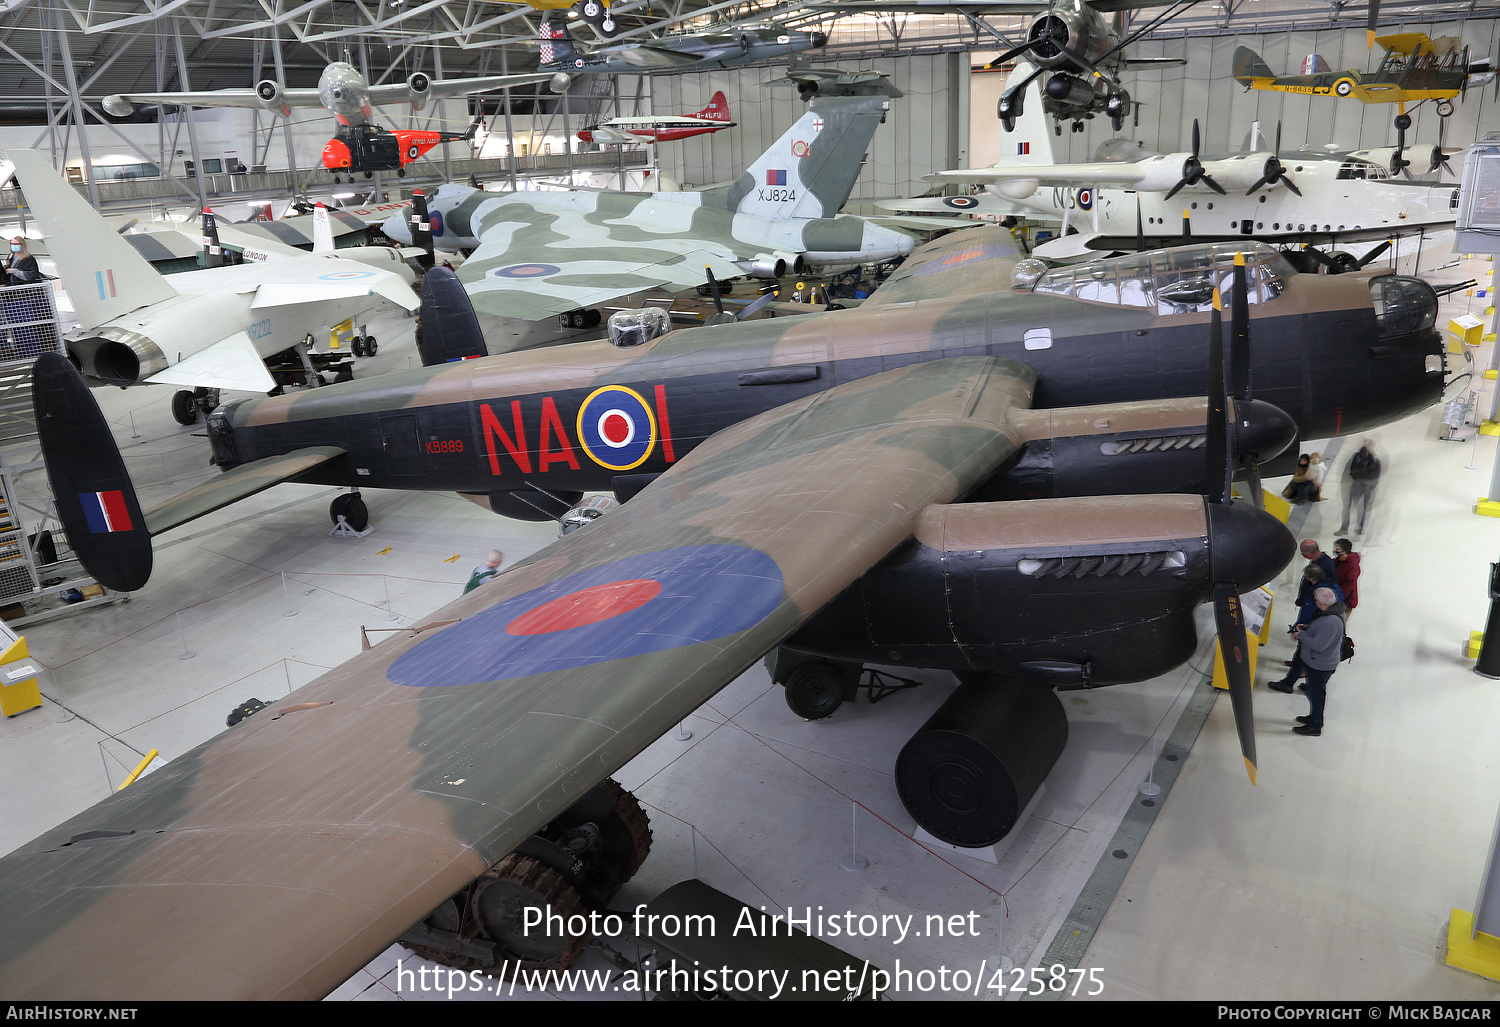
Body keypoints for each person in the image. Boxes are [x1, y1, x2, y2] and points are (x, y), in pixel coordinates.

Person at [1268, 586, 1347, 737]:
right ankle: (1314, 718)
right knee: (1313, 691)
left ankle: (1315, 726)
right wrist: (1307, 629)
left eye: (1317, 601)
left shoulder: (1330, 621)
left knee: (1316, 694)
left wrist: (1302, 635)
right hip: (1319, 662)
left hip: (1320, 664)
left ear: (1322, 603)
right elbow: (1321, 633)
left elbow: (1319, 645)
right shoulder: (1334, 612)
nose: (1316, 603)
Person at [1336, 440, 1380, 534]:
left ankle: (1359, 529)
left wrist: (1370, 486)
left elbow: (1375, 476)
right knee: (1347, 507)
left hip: (1366, 487)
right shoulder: (1355, 457)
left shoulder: (1375, 460)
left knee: (1362, 508)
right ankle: (1344, 528)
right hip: (1355, 485)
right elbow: (1350, 469)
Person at [1333, 537, 1360, 618]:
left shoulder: (1352, 566)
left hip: (1345, 601)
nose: (1335, 550)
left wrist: (1335, 597)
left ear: (1344, 551)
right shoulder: (1338, 561)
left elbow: (1348, 587)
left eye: (1337, 549)